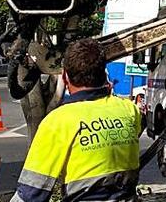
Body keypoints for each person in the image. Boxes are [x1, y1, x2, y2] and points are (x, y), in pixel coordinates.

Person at [10, 39, 141, 202]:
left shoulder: (58, 122)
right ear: (103, 73)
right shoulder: (129, 110)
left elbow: (31, 193)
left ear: (65, 76)